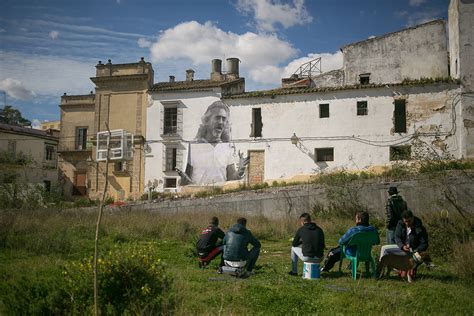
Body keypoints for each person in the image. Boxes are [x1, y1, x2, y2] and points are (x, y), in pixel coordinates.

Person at [179, 101, 248, 185]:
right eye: (217, 118)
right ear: (207, 121)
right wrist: (184, 179)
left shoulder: (227, 147)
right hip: (199, 195)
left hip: (220, 195)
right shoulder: (194, 146)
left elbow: (230, 178)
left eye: (224, 119)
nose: (221, 122)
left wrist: (240, 172)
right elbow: (187, 179)